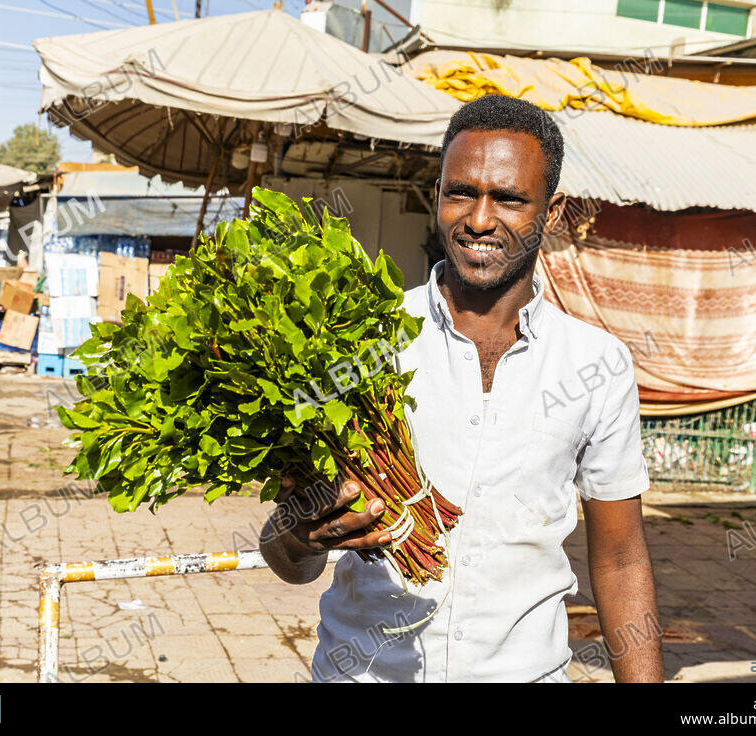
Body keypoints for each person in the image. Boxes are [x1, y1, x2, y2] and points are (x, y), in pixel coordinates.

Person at [259, 95, 662, 683]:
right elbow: (284, 554)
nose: (477, 219)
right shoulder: (360, 345)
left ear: (552, 212)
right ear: (438, 195)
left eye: (508, 198)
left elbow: (622, 559)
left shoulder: (596, 364)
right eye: (460, 192)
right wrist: (299, 541)